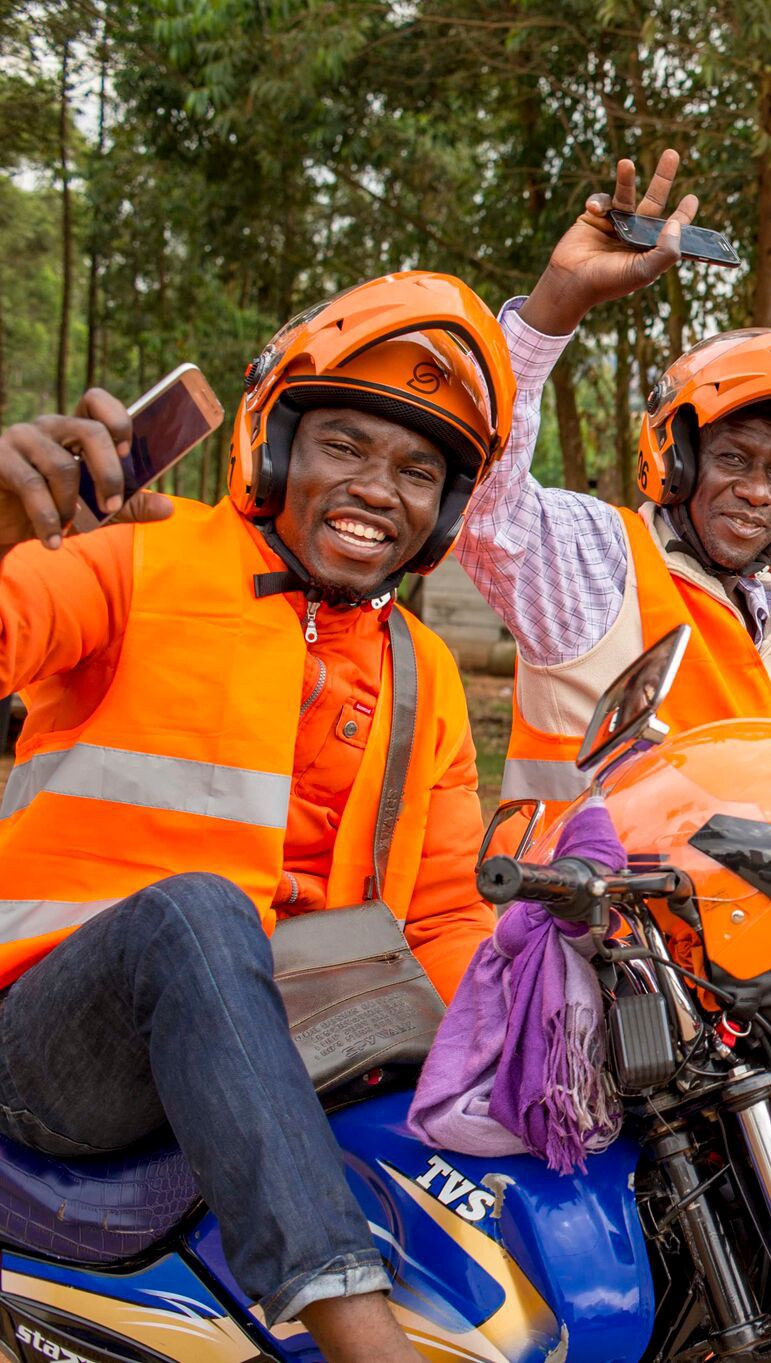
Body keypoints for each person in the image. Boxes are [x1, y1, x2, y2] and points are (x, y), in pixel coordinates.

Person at [0, 272, 511, 1362]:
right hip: (50, 1046)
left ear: (446, 512)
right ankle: (357, 1337)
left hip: (292, 1056)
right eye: (344, 445)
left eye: (419, 470)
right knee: (196, 911)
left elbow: (448, 916)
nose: (380, 487)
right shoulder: (137, 554)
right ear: (270, 447)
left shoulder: (424, 670)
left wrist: (515, 1064)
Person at [459, 151, 771, 805]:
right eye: (733, 459)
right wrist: (561, 295)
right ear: (678, 458)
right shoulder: (600, 563)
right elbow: (483, 504)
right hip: (577, 910)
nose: (758, 490)